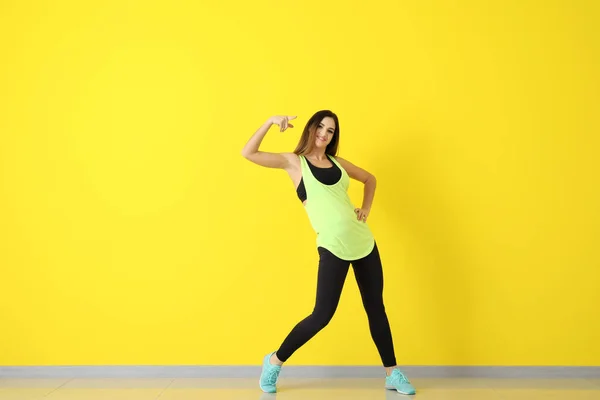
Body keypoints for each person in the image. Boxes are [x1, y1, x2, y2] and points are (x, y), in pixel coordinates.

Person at [241, 110, 416, 395]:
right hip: (333, 246)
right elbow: (249, 152)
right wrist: (270, 122)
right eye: (320, 126)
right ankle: (274, 360)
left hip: (364, 244)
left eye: (330, 130)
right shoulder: (294, 163)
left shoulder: (338, 163)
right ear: (310, 128)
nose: (324, 133)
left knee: (376, 309)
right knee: (322, 314)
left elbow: (370, 179)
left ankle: (392, 373)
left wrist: (367, 208)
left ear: (334, 137)